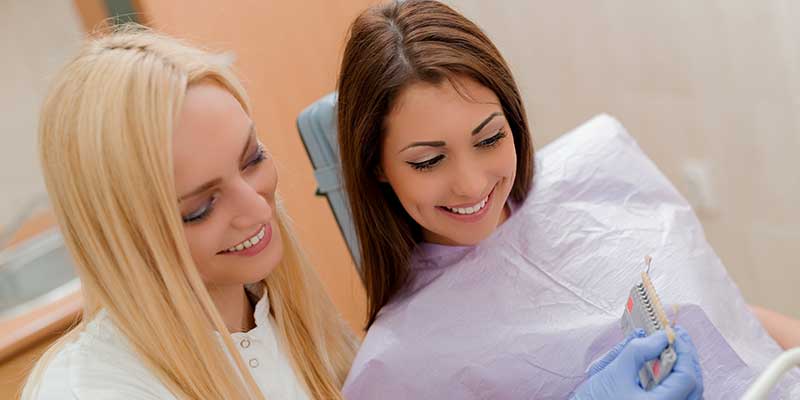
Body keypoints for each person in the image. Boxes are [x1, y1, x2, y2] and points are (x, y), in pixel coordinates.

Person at [335, 1, 704, 399]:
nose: (472, 185)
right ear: (376, 165)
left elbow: (723, 311)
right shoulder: (395, 370)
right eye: (429, 161)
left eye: (490, 138)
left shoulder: (595, 172)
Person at [22, 26, 357, 399]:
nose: (256, 207)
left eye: (252, 158)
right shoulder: (92, 390)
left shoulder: (287, 317)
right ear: (122, 234)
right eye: (200, 208)